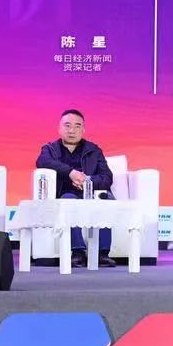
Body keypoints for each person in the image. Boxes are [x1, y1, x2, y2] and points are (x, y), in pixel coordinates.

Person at [35, 109, 117, 268]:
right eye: (67, 125)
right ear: (59, 128)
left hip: (91, 193)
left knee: (107, 199)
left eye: (77, 126)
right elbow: (42, 162)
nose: (72, 130)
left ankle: (102, 253)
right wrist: (71, 173)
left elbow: (107, 177)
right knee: (68, 201)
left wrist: (87, 181)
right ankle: (78, 252)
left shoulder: (94, 150)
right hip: (66, 193)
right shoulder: (50, 149)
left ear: (83, 130)